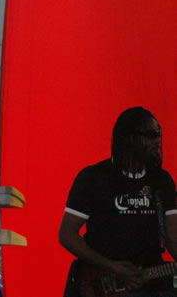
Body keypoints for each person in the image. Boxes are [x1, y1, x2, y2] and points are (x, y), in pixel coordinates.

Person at [59, 106, 177, 296]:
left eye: (159, 134)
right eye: (151, 134)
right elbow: (67, 234)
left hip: (152, 280)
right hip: (103, 281)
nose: (158, 140)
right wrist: (111, 266)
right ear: (128, 138)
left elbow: (173, 239)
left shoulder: (162, 181)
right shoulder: (93, 177)